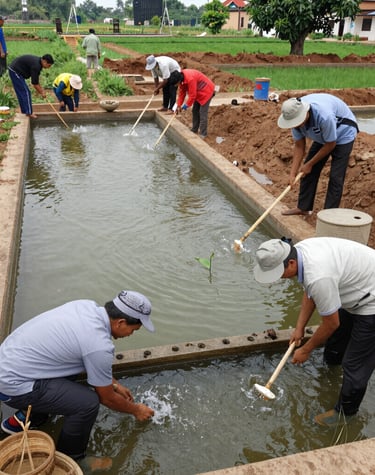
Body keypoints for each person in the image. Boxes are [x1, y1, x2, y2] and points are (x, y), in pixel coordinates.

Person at [0, 290, 155, 465]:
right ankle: (71, 458)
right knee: (87, 403)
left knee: (72, 370)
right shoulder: (99, 345)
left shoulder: (84, 306)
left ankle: (24, 419)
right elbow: (107, 399)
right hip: (13, 387)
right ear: (120, 322)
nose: (130, 334)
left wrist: (114, 384)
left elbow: (83, 353)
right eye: (133, 330)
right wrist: (136, 410)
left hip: (7, 366)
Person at [253, 237, 375, 427]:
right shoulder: (300, 252)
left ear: (291, 263)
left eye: (278, 273)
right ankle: (331, 371)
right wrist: (299, 327)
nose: (278, 279)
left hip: (371, 301)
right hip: (355, 289)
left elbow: (331, 323)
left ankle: (345, 414)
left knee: (355, 364)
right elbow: (310, 292)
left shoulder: (318, 275)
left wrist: (306, 349)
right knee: (335, 344)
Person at [277, 94, 358, 216]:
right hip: (323, 137)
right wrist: (293, 173)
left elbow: (331, 144)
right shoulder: (293, 117)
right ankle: (303, 207)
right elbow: (299, 146)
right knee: (306, 172)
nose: (296, 125)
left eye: (298, 122)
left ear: (305, 114)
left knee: (336, 177)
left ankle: (329, 216)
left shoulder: (324, 117)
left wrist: (309, 164)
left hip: (343, 132)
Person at [171, 69, 215, 139]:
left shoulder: (190, 79)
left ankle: (203, 133)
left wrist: (186, 105)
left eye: (176, 84)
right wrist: (178, 105)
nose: (176, 85)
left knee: (202, 113)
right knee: (195, 110)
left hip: (206, 91)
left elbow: (192, 96)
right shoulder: (182, 79)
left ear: (178, 80)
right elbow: (182, 94)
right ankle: (194, 129)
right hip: (198, 92)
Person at [8, 54, 54, 119]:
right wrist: (42, 92)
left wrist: (40, 90)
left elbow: (36, 80)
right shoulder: (36, 66)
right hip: (15, 70)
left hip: (15, 69)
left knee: (22, 92)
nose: (48, 67)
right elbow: (34, 83)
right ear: (44, 61)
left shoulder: (38, 63)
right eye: (48, 65)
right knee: (26, 92)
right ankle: (29, 113)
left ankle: (25, 111)